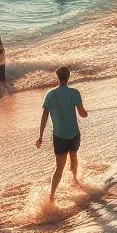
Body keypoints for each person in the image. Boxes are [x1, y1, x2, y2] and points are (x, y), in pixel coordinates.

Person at [36, 65, 88, 201]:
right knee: (74, 156)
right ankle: (75, 180)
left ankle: (52, 195)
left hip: (59, 136)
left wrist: (40, 136)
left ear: (57, 77)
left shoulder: (50, 95)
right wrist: (86, 112)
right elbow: (82, 114)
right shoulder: (74, 93)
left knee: (59, 167)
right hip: (74, 134)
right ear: (68, 77)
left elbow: (44, 117)